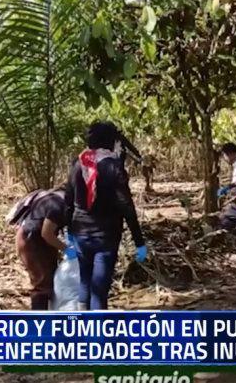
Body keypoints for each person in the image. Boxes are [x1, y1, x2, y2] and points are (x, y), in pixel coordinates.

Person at [65, 121, 147, 310]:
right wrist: (139, 241)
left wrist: (69, 229)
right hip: (106, 236)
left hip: (80, 234)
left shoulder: (78, 163)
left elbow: (68, 199)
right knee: (99, 291)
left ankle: (82, 331)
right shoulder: (113, 166)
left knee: (85, 283)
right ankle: (98, 337)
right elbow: (126, 205)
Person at [12, 187, 77, 310]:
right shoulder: (57, 206)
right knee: (42, 284)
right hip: (30, 242)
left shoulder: (55, 198)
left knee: (50, 278)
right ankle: (39, 321)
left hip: (39, 241)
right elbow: (46, 233)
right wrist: (66, 249)